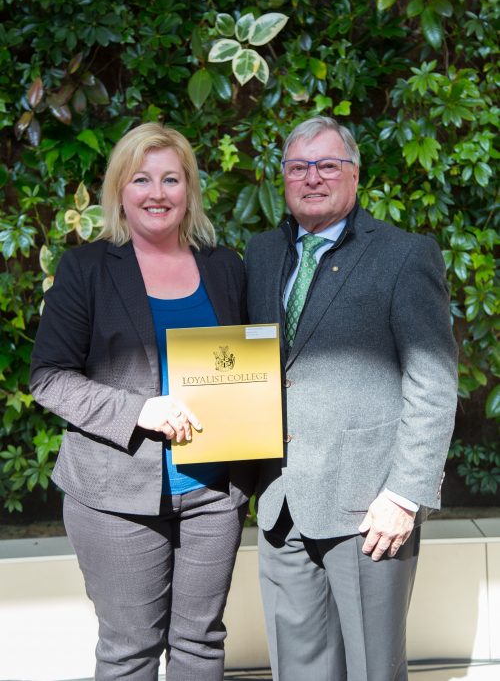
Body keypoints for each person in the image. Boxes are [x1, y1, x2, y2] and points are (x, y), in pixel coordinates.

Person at [30, 122, 253, 681]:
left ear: (190, 189)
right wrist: (139, 410)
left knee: (201, 643)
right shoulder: (86, 270)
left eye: (171, 179)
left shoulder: (225, 266)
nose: (157, 193)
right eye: (141, 179)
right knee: (130, 650)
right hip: (115, 493)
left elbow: (244, 363)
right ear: (119, 192)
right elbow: (49, 377)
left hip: (212, 490)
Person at [244, 116, 458, 681]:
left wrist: (406, 494)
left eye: (327, 165)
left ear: (355, 175)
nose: (312, 178)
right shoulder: (262, 253)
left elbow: (432, 381)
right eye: (298, 167)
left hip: (369, 508)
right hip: (281, 502)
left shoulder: (404, 254)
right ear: (283, 178)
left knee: (372, 669)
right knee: (299, 669)